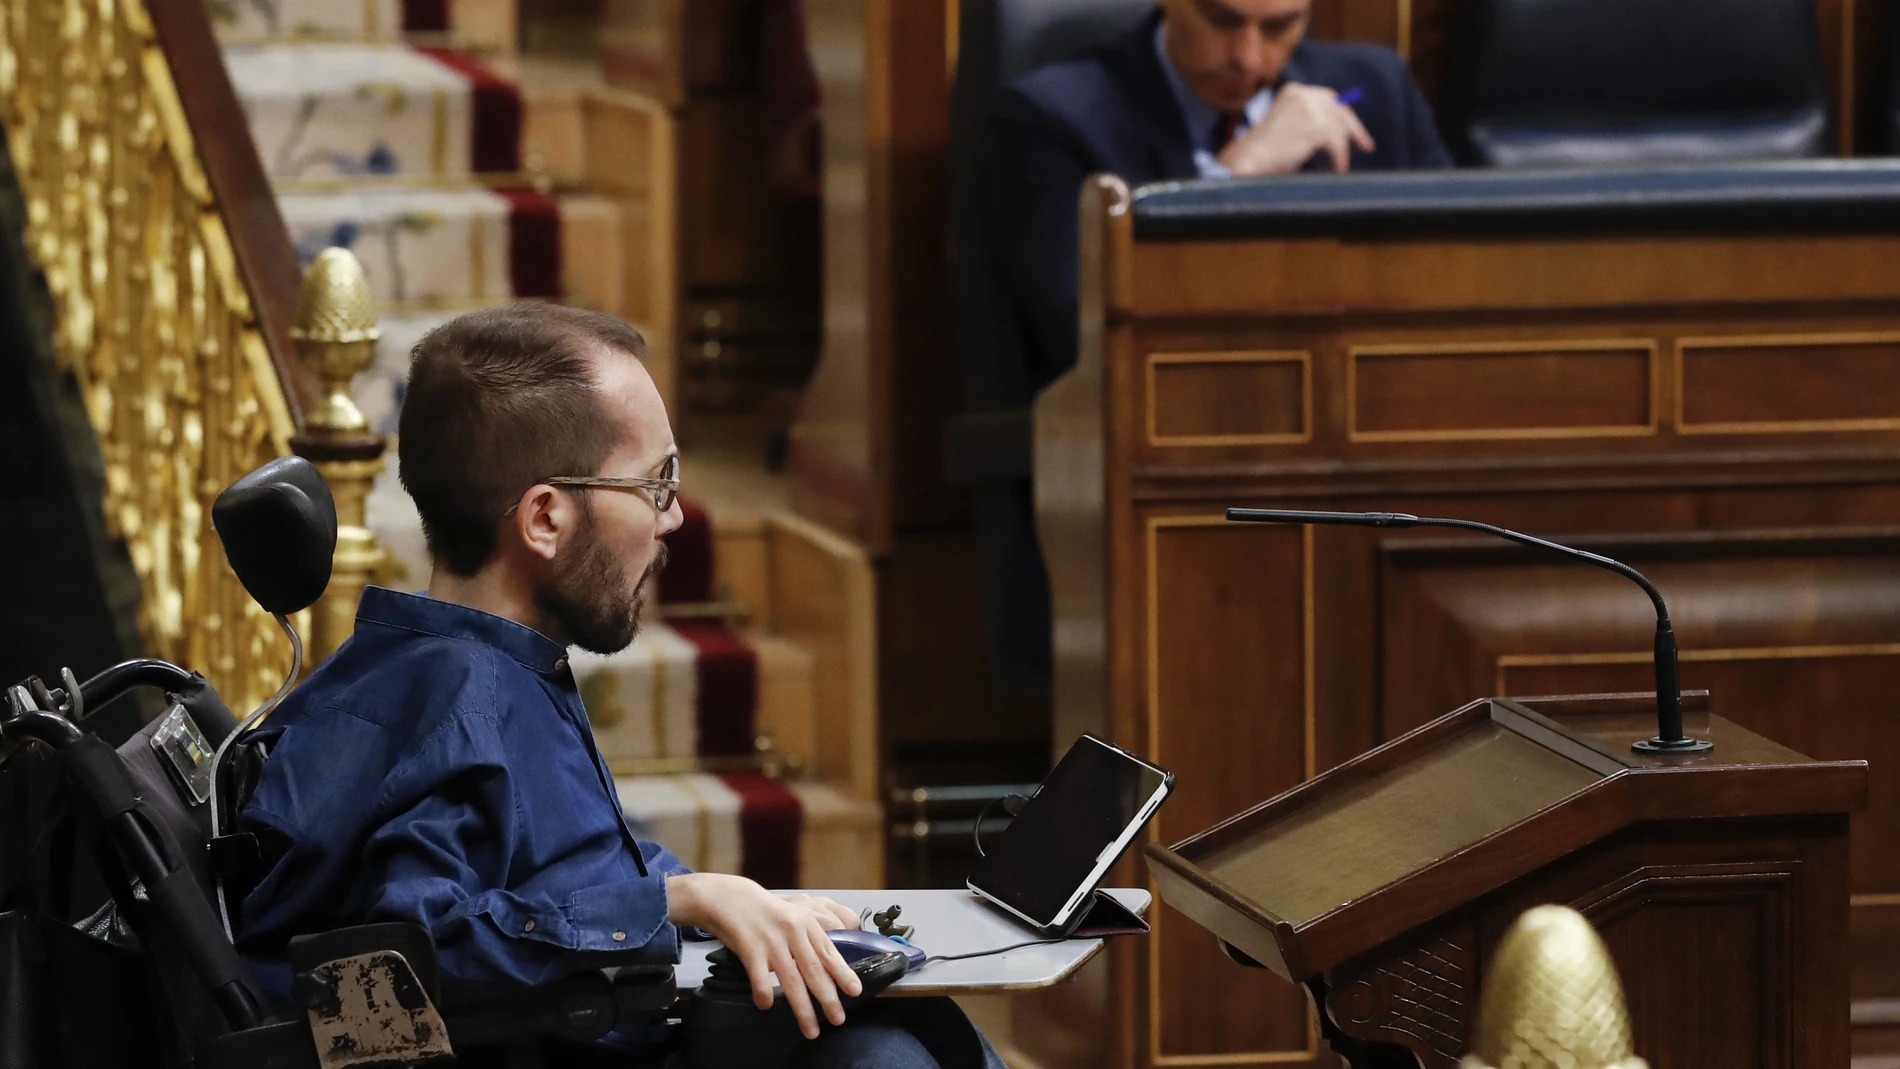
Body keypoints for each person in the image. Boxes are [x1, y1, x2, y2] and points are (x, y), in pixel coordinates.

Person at [232, 304, 1002, 1068]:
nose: (671, 518)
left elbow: (564, 870)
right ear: (545, 519)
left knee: (908, 1025)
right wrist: (673, 903)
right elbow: (407, 951)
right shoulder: (452, 703)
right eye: (656, 482)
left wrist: (731, 901)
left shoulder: (466, 666)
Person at [990, 0, 1453, 392]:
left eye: (1279, 26)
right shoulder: (1052, 117)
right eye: (1222, 21)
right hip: (1163, 427)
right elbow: (1084, 337)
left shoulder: (1377, 89)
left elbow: (1453, 278)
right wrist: (1236, 173)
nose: (1247, 58)